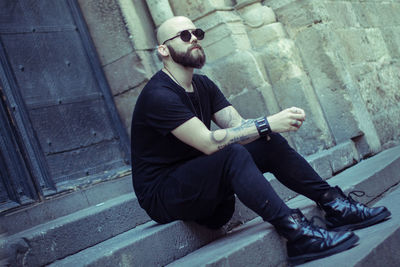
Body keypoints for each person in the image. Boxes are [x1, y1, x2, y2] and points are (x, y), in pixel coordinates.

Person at [130, 16, 391, 264]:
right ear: (163, 50)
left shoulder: (203, 85)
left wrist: (267, 127)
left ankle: (334, 204)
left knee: (265, 139)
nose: (194, 39)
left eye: (197, 33)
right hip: (163, 194)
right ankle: (297, 234)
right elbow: (209, 143)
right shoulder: (158, 95)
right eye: (184, 35)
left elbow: (239, 127)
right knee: (236, 150)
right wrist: (268, 122)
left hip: (200, 179)